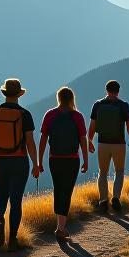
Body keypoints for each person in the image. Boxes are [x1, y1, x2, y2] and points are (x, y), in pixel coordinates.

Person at [0, 78, 38, 250]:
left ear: (4, 93)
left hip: (0, 160)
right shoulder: (25, 114)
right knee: (16, 200)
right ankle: (13, 239)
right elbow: (30, 142)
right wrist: (36, 163)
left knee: (1, 195)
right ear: (19, 94)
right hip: (19, 160)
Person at [36, 86, 89, 241]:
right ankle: (61, 227)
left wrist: (40, 161)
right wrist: (85, 160)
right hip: (72, 159)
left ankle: (60, 225)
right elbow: (83, 141)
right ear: (72, 99)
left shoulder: (50, 115)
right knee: (66, 191)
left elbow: (43, 140)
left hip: (55, 159)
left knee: (58, 189)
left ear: (58, 98)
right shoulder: (77, 116)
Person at [87, 80, 129, 212]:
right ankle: (116, 198)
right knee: (119, 171)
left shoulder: (98, 105)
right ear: (118, 90)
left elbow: (92, 125)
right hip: (119, 144)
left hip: (102, 143)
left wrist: (89, 141)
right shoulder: (123, 105)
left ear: (106, 90)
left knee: (102, 172)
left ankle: (103, 200)